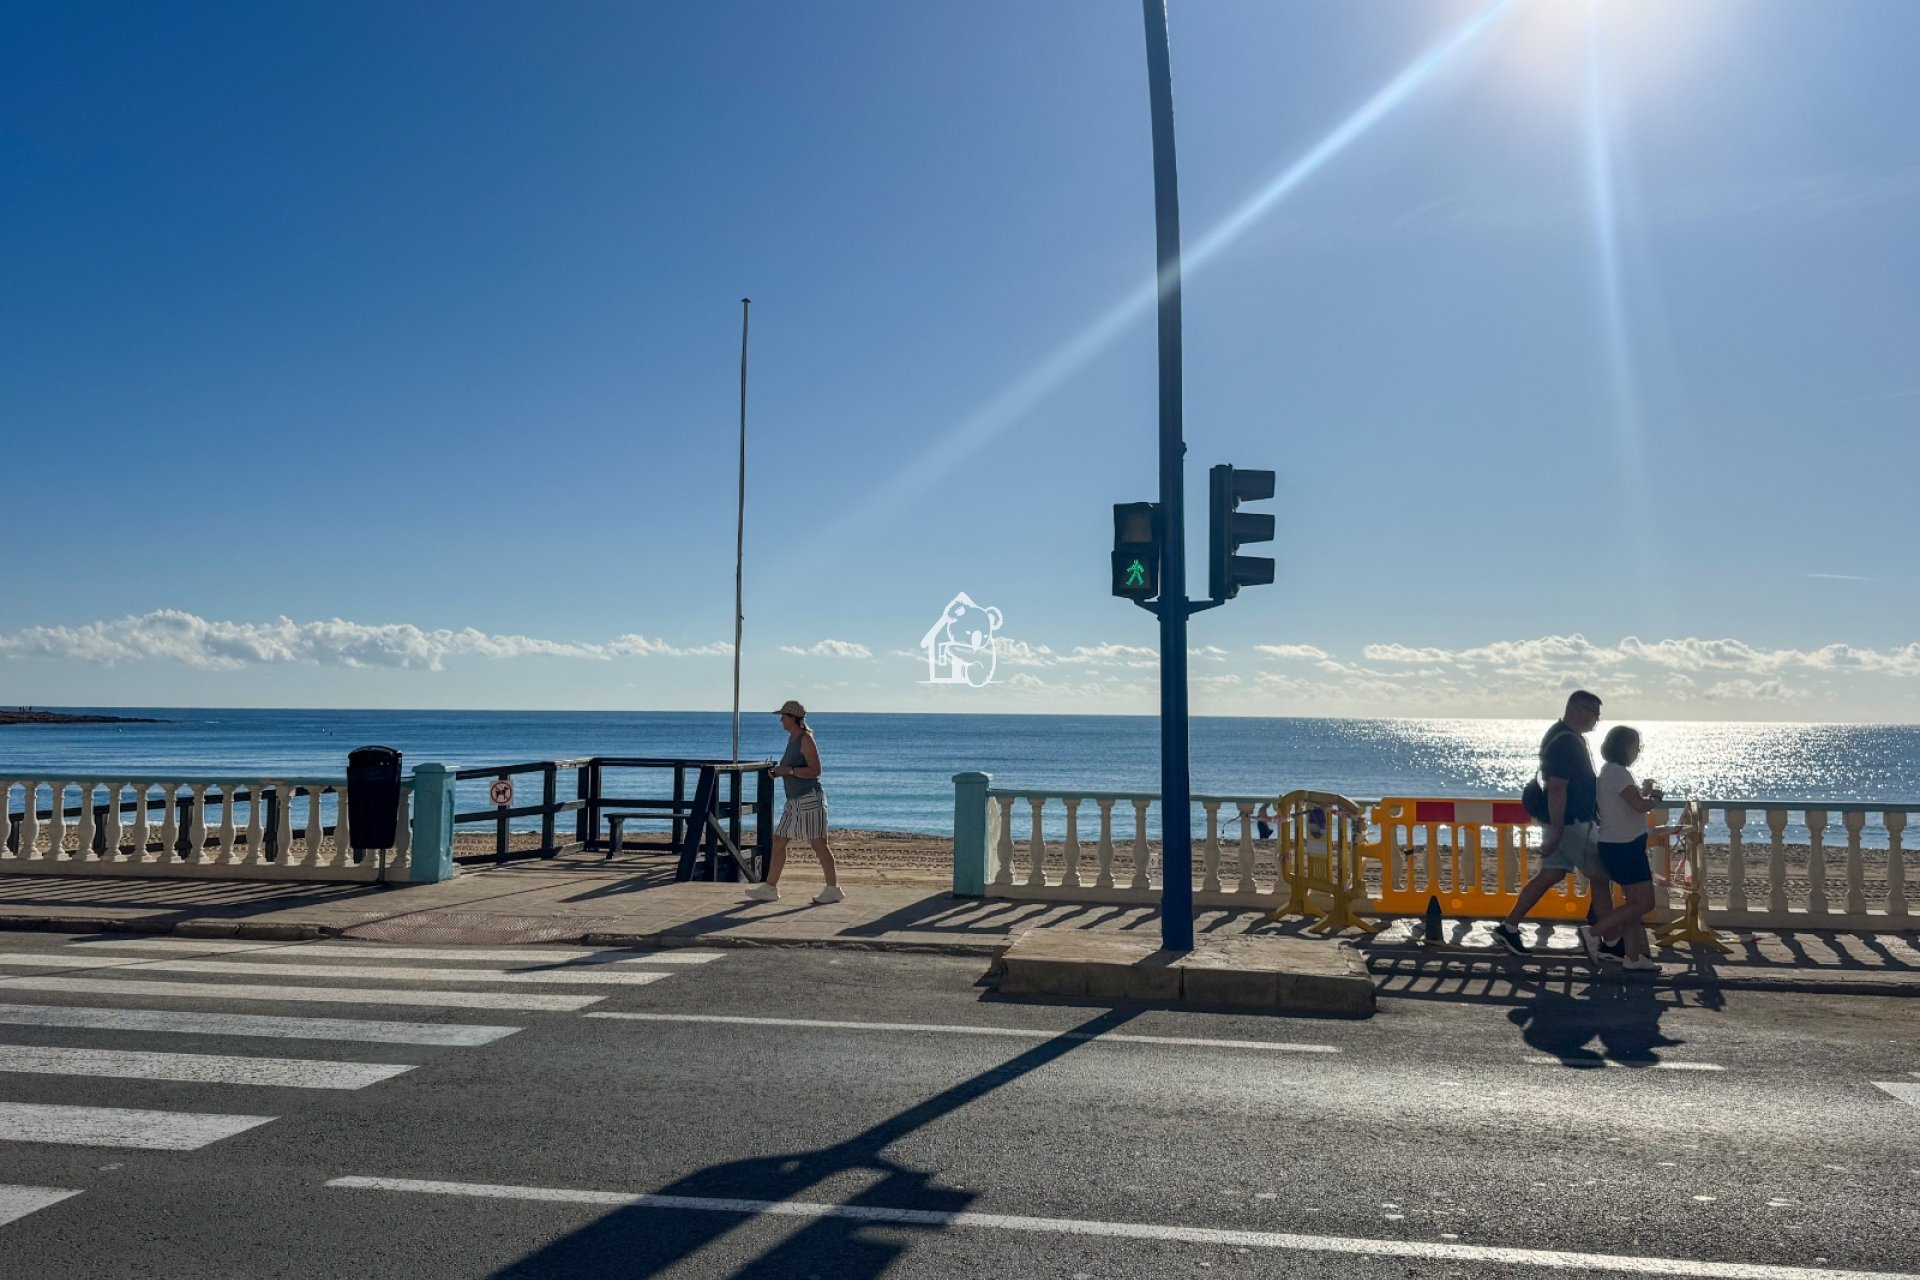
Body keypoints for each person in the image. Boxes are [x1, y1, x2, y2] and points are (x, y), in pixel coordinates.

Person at [1491, 690, 1606, 956]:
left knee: (1551, 874)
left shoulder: (1566, 737)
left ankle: (1508, 927)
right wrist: (1556, 832)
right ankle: (1607, 939)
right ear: (1578, 711)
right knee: (1600, 874)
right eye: (1594, 714)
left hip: (1566, 822)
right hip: (1570, 823)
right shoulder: (1565, 743)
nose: (1597, 721)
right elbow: (1556, 789)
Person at [1579, 726, 1671, 972]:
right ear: (1624, 747)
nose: (1637, 751)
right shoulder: (1619, 773)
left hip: (1617, 844)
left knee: (1633, 902)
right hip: (1625, 847)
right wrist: (1654, 799)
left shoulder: (1609, 772)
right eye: (1635, 746)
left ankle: (1632, 956)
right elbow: (1639, 806)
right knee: (1644, 902)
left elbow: (1626, 805)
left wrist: (1644, 792)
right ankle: (1594, 932)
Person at [746, 700, 843, 905]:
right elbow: (793, 768)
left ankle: (833, 888)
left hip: (809, 798)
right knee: (779, 840)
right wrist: (779, 773)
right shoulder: (793, 739)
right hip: (794, 801)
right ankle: (770, 887)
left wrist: (788, 771)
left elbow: (815, 770)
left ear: (793, 718)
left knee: (818, 844)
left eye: (783, 716)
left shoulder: (805, 739)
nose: (781, 720)